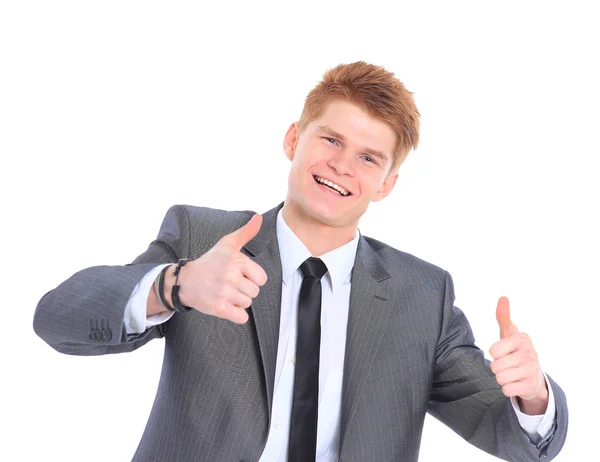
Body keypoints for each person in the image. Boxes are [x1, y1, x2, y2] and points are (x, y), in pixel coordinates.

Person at [33, 61, 568, 462]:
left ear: (386, 184)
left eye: (368, 157)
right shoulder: (207, 240)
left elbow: (516, 439)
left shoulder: (422, 297)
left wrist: (533, 396)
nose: (341, 164)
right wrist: (176, 284)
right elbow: (58, 319)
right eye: (330, 139)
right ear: (294, 138)